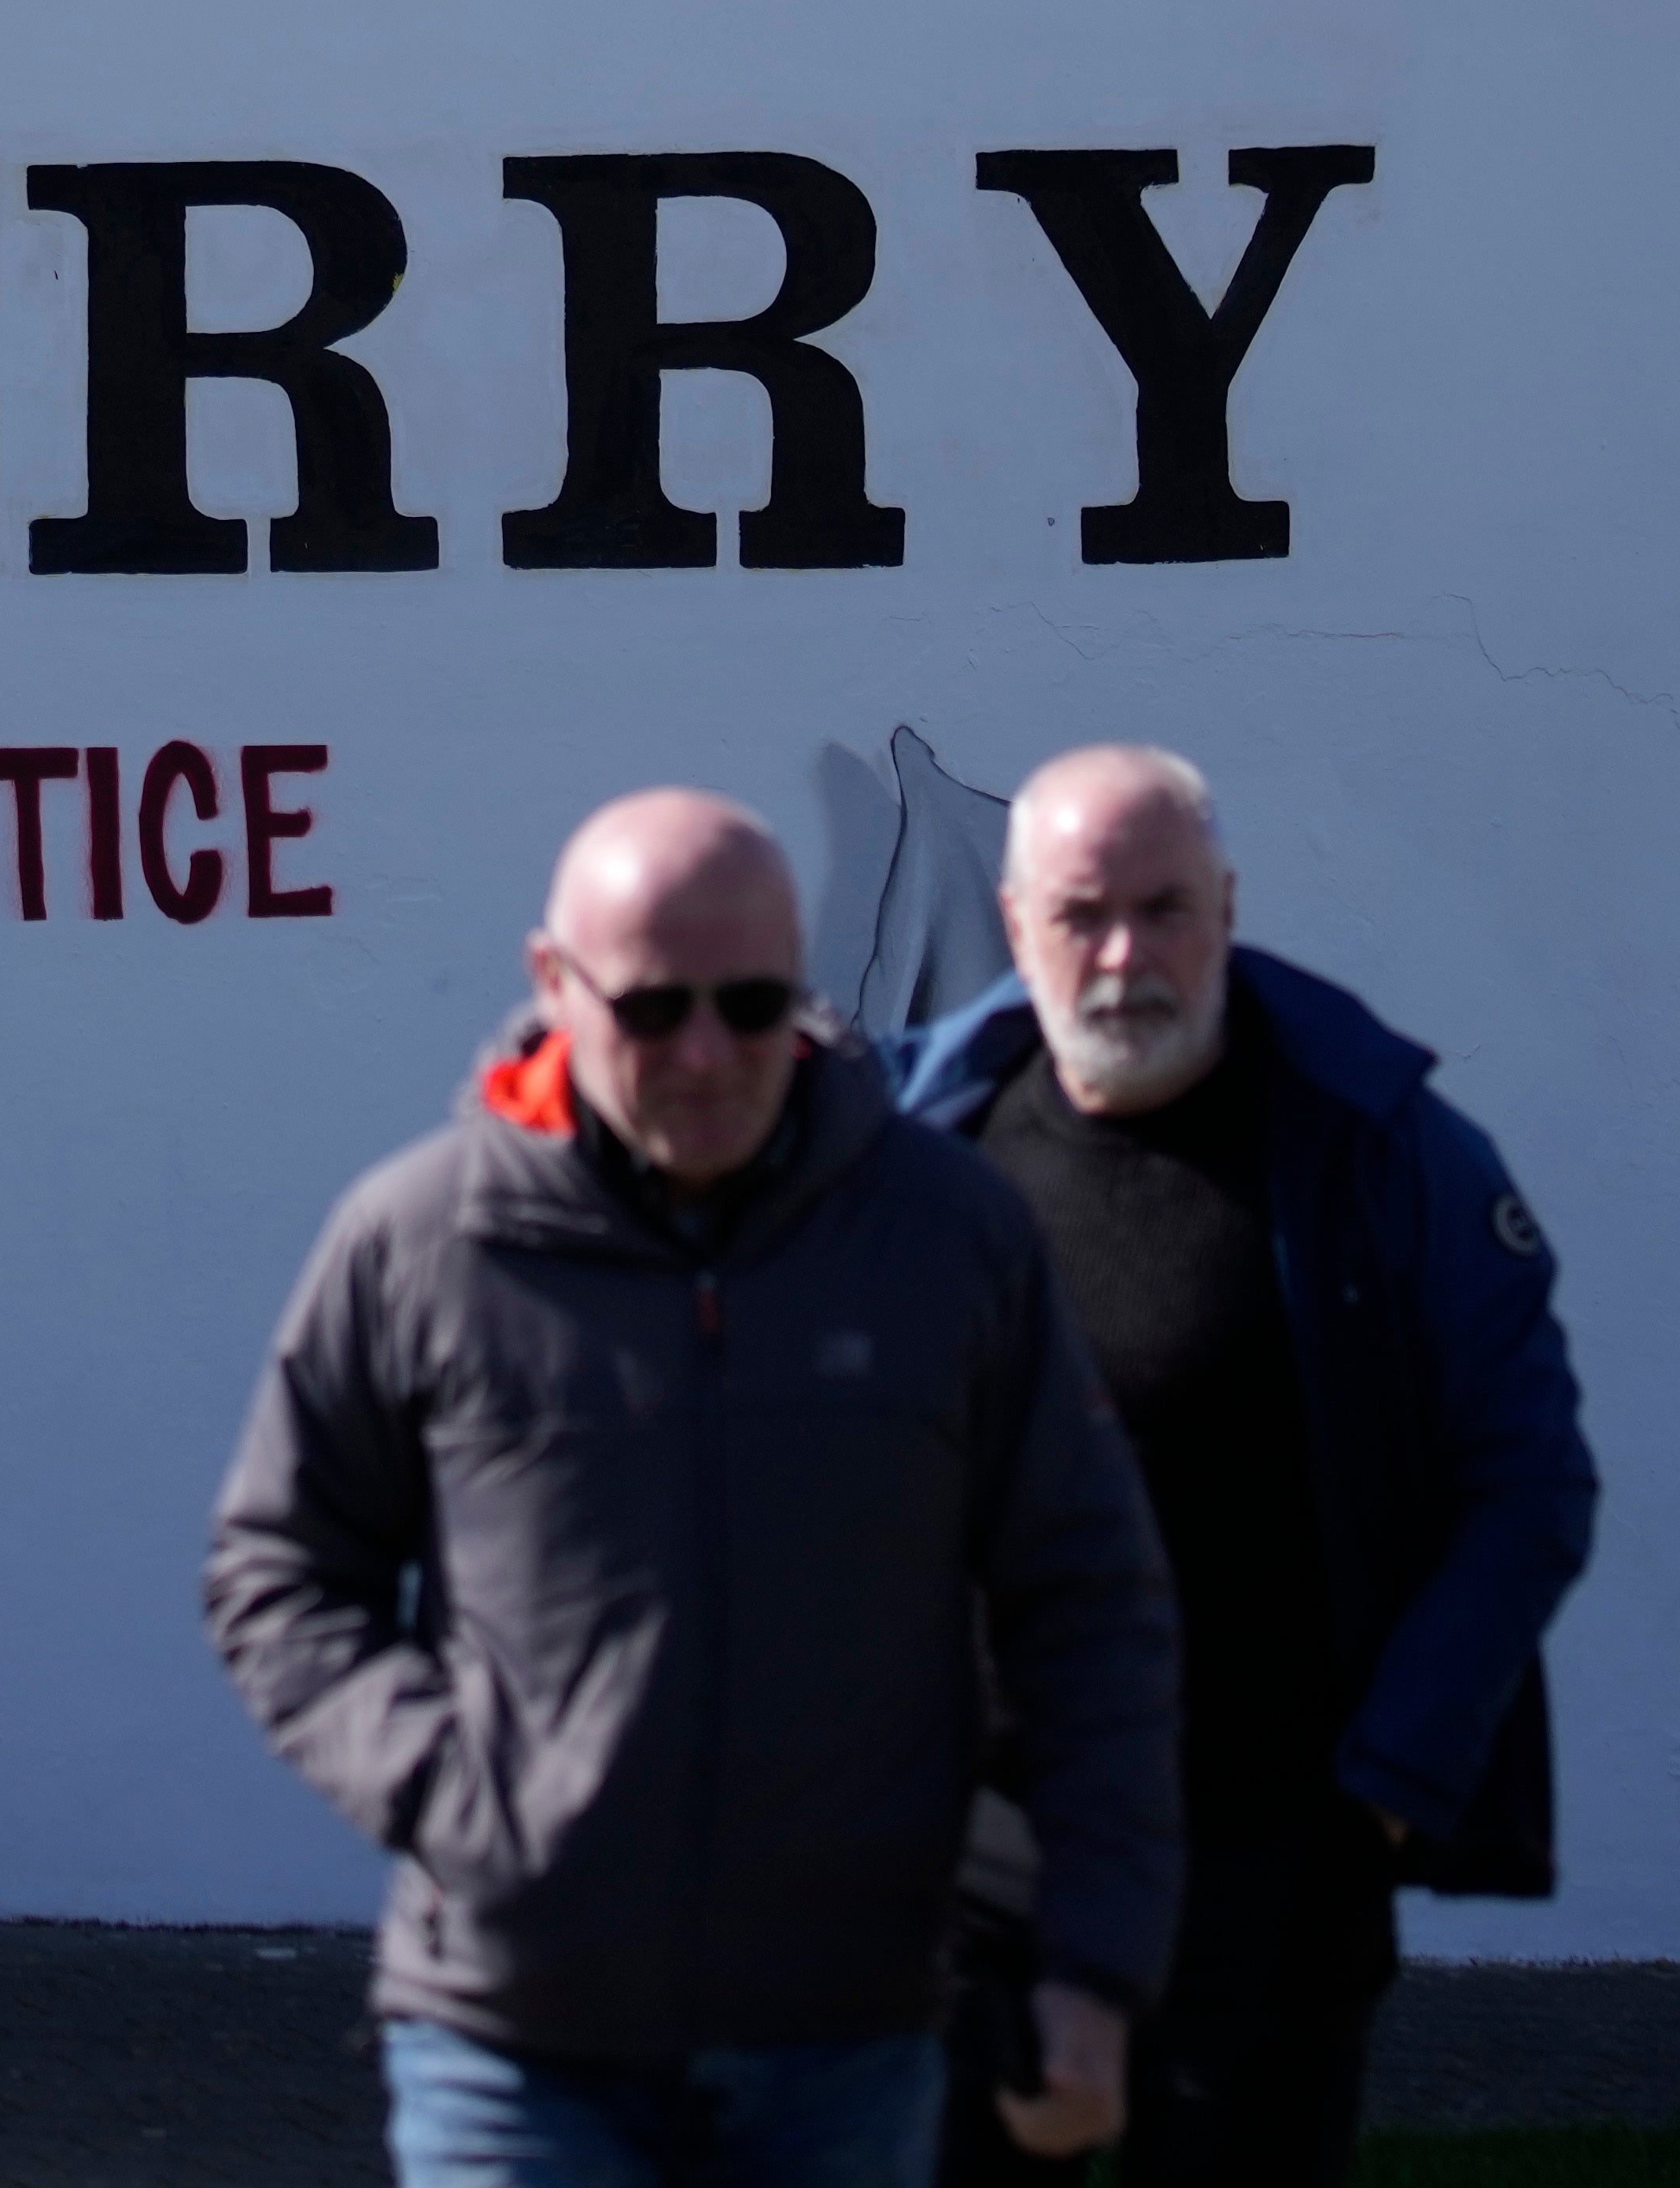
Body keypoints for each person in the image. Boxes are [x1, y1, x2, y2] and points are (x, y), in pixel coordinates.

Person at [210, 789, 1181, 2188]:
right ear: (554, 983)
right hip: (514, 2035)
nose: (714, 1054)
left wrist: (1089, 1962)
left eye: (754, 1003)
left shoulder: (947, 1235)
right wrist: (456, 1791)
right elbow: (277, 1571)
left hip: (846, 2037)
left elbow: (1088, 1604)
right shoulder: (426, 1241)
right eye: (658, 1010)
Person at [885, 745, 1595, 2188]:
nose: (1126, 954)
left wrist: (1383, 1789)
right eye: (1085, 914)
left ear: (1229, 906)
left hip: (1272, 1852)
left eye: (1166, 908)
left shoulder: (1382, 1153)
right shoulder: (911, 1148)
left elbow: (1528, 1485)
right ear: (1017, 925)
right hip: (971, 1871)